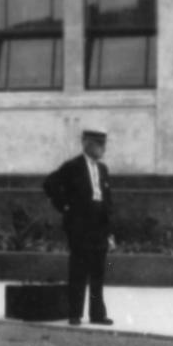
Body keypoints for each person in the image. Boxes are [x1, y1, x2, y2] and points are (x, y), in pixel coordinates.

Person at [43, 128, 116, 327]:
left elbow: (108, 200)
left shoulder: (103, 169)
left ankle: (97, 314)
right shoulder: (73, 166)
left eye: (104, 145)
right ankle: (74, 313)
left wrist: (109, 230)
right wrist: (65, 206)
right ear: (87, 144)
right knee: (78, 270)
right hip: (80, 226)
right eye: (99, 145)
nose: (103, 149)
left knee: (98, 272)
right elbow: (49, 184)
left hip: (99, 226)